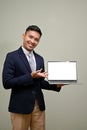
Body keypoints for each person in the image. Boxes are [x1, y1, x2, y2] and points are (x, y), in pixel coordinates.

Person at [2, 25, 63, 130]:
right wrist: (30, 76)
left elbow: (39, 82)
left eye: (36, 39)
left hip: (38, 106)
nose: (32, 41)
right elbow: (7, 83)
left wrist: (56, 85)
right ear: (23, 36)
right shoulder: (12, 56)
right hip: (20, 107)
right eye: (30, 37)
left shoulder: (40, 59)